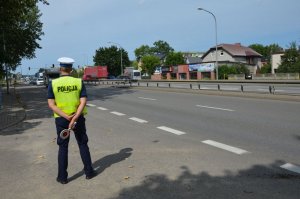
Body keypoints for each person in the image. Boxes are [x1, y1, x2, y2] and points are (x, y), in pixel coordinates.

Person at [47, 57, 96, 184]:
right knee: (82, 144)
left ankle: (62, 177)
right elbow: (83, 101)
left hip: (62, 120)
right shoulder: (78, 82)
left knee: (63, 147)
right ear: (71, 69)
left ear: (60, 68)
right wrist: (74, 117)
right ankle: (89, 172)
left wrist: (66, 116)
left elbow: (51, 104)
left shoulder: (53, 83)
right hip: (78, 118)